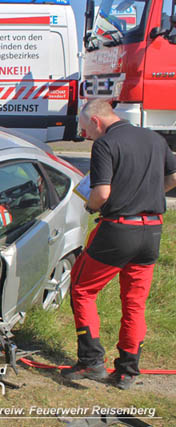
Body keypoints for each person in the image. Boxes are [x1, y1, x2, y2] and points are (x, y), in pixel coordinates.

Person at [61, 99, 176, 389]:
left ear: (97, 121)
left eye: (87, 129)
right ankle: (127, 371)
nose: (87, 135)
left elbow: (101, 193)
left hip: (118, 230)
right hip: (151, 231)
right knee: (134, 303)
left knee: (82, 288)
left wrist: (90, 207)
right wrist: (147, 196)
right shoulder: (154, 138)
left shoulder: (105, 144)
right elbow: (173, 176)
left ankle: (91, 362)